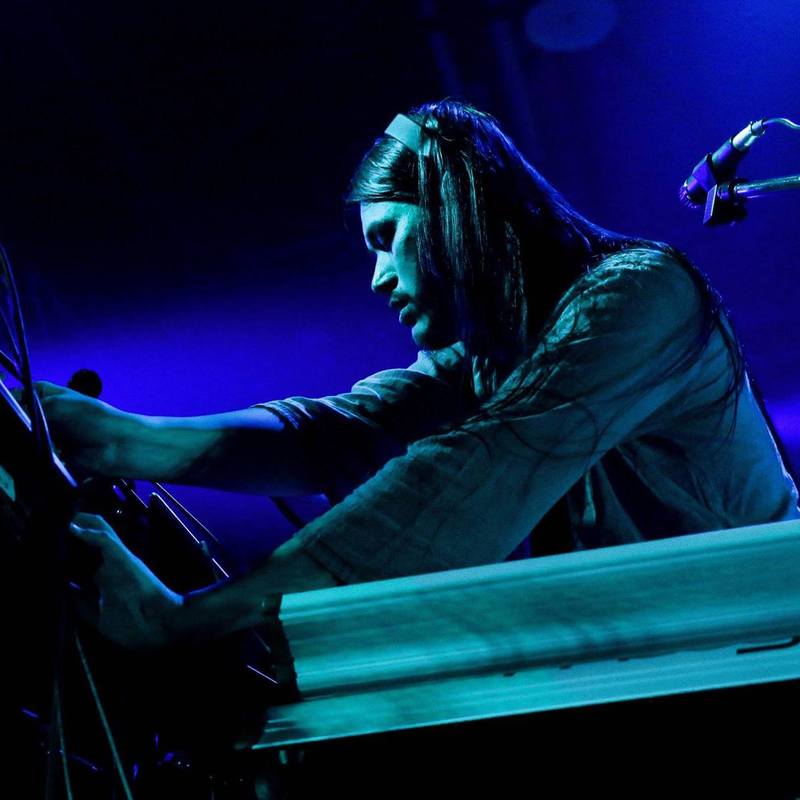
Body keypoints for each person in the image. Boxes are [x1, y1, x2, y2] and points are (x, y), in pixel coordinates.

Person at [42, 100, 797, 652]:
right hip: (688, 656)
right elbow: (340, 433)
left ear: (456, 208)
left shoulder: (640, 294)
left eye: (386, 237)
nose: (376, 277)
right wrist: (121, 439)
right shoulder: (488, 357)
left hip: (768, 644)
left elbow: (478, 467)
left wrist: (186, 619)